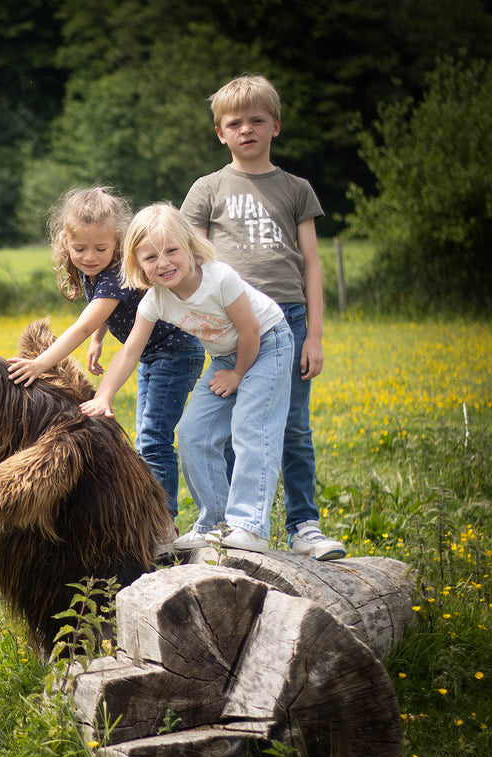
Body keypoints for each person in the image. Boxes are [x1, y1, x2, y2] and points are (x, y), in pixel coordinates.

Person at [181, 73, 346, 561]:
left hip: (287, 322)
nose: (246, 129)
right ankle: (231, 525)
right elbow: (191, 263)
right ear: (220, 132)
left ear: (276, 125)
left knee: (292, 427)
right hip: (231, 324)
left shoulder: (296, 189)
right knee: (233, 426)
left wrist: (315, 336)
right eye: (234, 123)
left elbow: (311, 265)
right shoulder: (207, 189)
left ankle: (304, 526)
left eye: (256, 120)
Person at [79, 203, 292, 553]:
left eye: (172, 251)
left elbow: (250, 330)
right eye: (150, 257)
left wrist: (238, 374)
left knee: (250, 426)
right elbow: (130, 352)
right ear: (136, 263)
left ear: (190, 247)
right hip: (226, 357)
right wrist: (103, 396)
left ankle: (250, 526)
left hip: (268, 344)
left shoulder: (219, 278)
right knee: (193, 433)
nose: (163, 263)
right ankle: (215, 524)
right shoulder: (155, 301)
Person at [7, 187, 204, 521]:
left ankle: (163, 521)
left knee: (153, 438)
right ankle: (155, 516)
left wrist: (41, 363)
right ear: (65, 242)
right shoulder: (96, 272)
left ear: (117, 242)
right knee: (147, 436)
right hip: (150, 354)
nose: (90, 257)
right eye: (80, 248)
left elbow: (84, 324)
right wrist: (99, 340)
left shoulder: (114, 275)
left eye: (100, 248)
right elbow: (104, 315)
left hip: (175, 353)